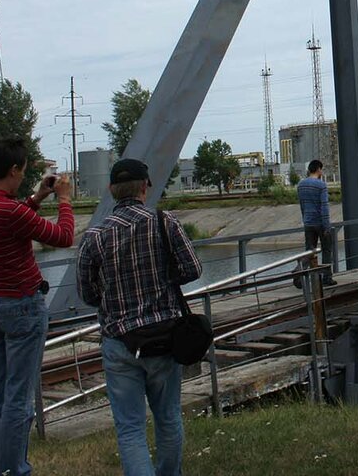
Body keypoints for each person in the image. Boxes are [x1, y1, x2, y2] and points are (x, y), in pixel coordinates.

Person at [77, 158, 202, 476]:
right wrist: (164, 277)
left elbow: (87, 294)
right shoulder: (165, 222)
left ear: (111, 191)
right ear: (145, 187)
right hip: (164, 337)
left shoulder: (94, 237)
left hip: (119, 343)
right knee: (168, 417)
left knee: (130, 429)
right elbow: (193, 269)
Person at [0, 138, 74, 476]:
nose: (24, 177)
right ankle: (15, 470)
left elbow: (14, 219)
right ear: (13, 170)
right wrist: (64, 200)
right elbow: (63, 237)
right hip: (23, 307)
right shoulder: (10, 211)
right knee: (19, 397)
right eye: (23, 171)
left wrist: (37, 197)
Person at [295, 159, 337, 287]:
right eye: (321, 169)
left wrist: (305, 219)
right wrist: (326, 226)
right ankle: (326, 277)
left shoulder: (301, 185)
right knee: (326, 250)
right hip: (320, 222)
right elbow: (324, 207)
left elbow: (302, 205)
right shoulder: (321, 185)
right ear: (319, 169)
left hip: (308, 222)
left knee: (309, 251)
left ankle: (298, 274)